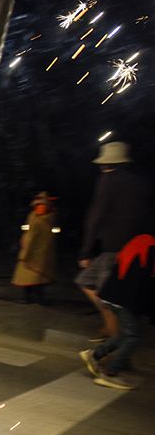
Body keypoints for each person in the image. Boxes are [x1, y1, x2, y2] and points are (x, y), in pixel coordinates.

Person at [76, 141, 152, 342]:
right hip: (135, 247)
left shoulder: (108, 180)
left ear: (106, 163)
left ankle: (115, 336)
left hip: (114, 247)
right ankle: (110, 327)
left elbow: (96, 215)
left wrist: (86, 251)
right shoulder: (140, 182)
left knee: (105, 293)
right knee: (92, 284)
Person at [80, 227, 155, 390]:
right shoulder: (150, 247)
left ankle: (94, 355)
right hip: (125, 298)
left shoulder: (141, 240)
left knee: (124, 334)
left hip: (114, 294)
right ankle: (110, 373)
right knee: (133, 337)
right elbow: (145, 283)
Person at [12, 191, 58, 304]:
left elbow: (51, 235)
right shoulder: (32, 219)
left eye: (42, 206)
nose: (40, 208)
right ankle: (28, 297)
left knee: (39, 278)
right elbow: (28, 236)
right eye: (37, 206)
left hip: (42, 253)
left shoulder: (50, 219)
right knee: (28, 277)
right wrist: (24, 251)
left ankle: (38, 297)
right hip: (30, 252)